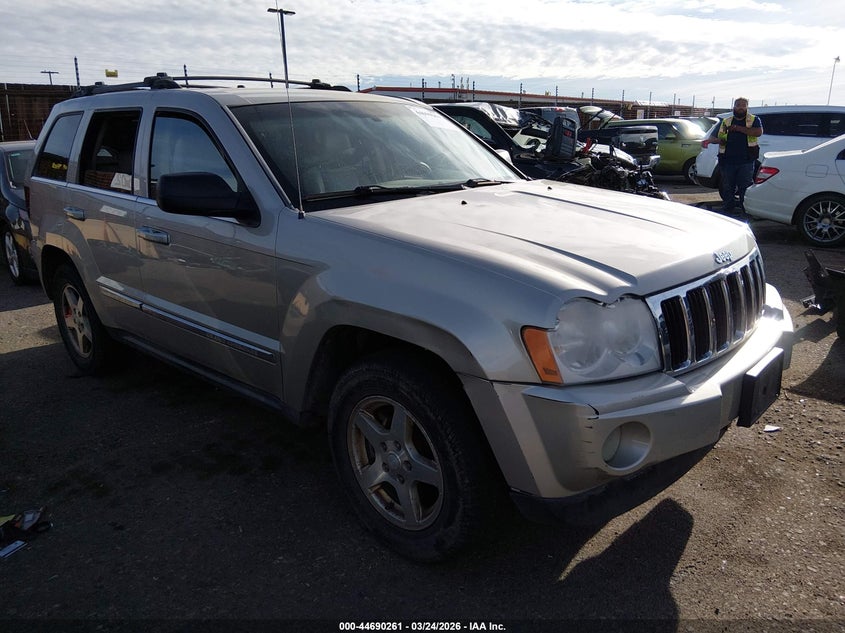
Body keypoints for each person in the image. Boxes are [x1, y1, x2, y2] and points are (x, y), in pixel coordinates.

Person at [701, 97, 763, 214]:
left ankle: (746, 210)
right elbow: (716, 137)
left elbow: (758, 132)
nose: (740, 107)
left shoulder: (753, 120)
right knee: (727, 186)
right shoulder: (726, 121)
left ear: (747, 107)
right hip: (727, 160)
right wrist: (710, 141)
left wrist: (738, 128)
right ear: (734, 107)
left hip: (746, 160)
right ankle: (728, 209)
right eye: (738, 105)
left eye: (743, 105)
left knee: (745, 186)